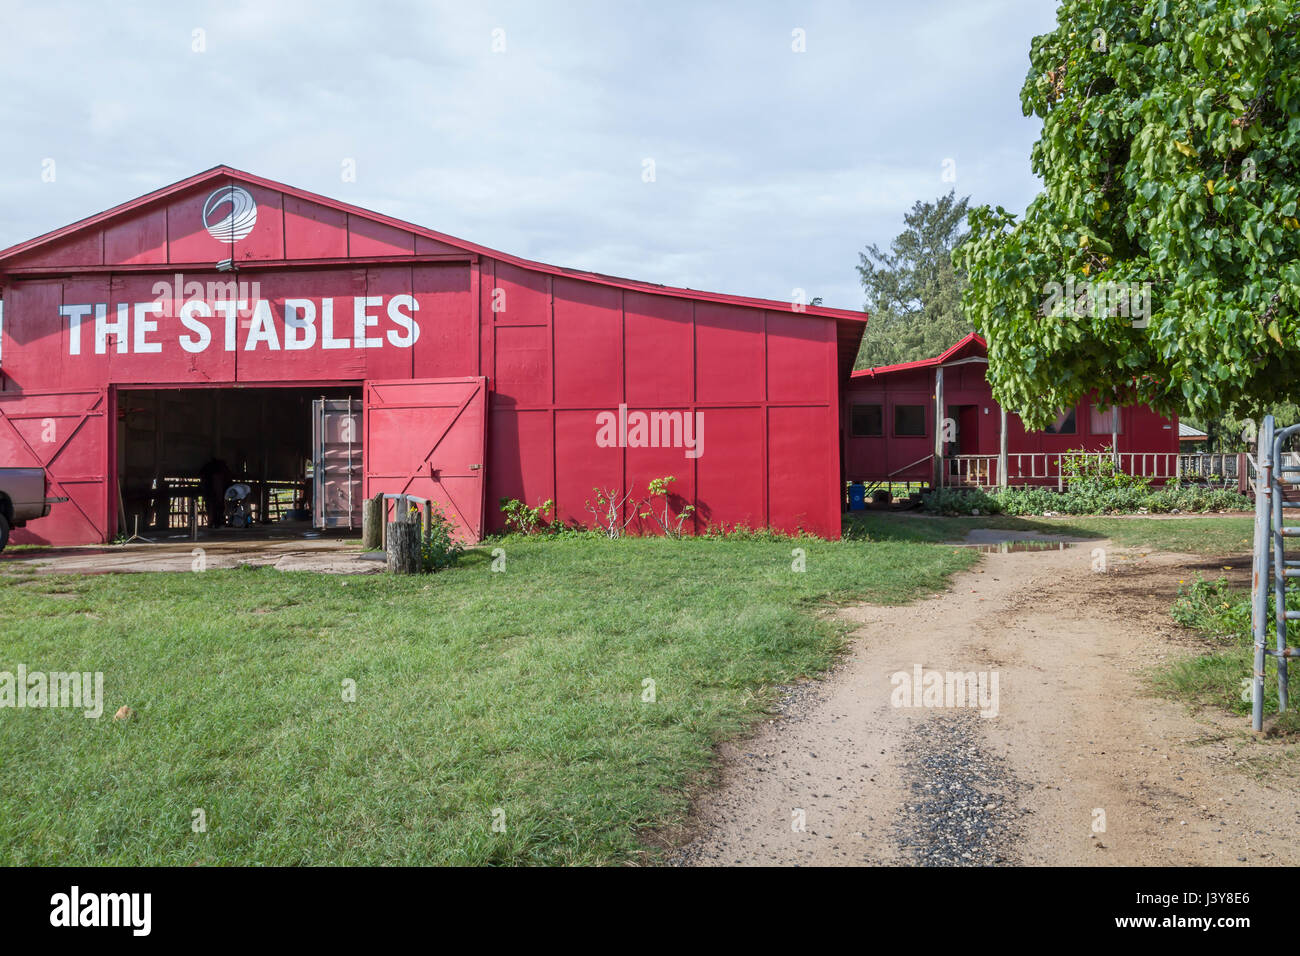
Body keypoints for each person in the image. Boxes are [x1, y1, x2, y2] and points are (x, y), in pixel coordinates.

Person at [197, 458, 233, 529]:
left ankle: (215, 522)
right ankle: (215, 522)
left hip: (214, 492)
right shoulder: (219, 471)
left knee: (216, 505)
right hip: (213, 492)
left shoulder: (214, 470)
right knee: (215, 505)